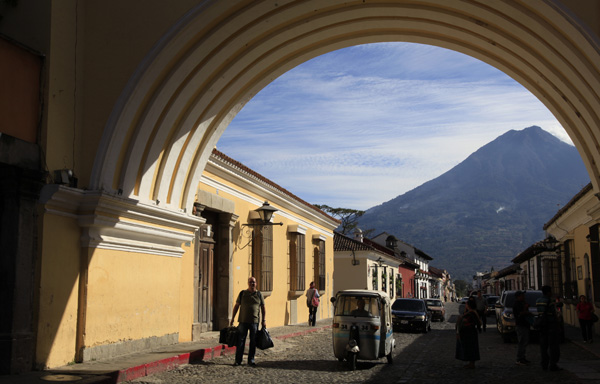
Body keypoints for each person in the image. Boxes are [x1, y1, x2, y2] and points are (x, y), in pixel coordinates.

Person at [230, 277, 266, 367]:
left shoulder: (259, 294)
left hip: (254, 321)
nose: (252, 284)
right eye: (250, 282)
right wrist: (232, 318)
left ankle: (251, 360)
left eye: (253, 282)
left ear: (256, 283)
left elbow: (263, 308)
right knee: (240, 341)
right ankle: (238, 360)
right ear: (248, 283)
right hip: (242, 321)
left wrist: (264, 320)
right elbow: (236, 306)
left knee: (253, 342)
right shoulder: (243, 293)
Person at [536, 285, 562, 371]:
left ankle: (544, 364)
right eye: (550, 291)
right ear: (548, 292)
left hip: (542, 326)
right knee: (553, 346)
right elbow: (553, 313)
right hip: (551, 325)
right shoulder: (549, 301)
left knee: (543, 346)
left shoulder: (538, 301)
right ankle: (553, 364)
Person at [455, 297, 481, 369]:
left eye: (466, 304)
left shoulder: (472, 313)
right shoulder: (469, 313)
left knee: (471, 348)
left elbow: (469, 321)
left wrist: (461, 319)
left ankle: (471, 363)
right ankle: (470, 362)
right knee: (469, 348)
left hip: (470, 333)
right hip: (468, 333)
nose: (465, 305)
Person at [513, 291, 532, 365]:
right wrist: (526, 310)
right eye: (522, 296)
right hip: (521, 325)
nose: (523, 297)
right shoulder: (517, 304)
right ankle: (519, 358)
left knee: (524, 342)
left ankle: (522, 357)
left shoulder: (521, 303)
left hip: (524, 325)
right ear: (518, 297)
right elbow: (520, 313)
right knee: (522, 342)